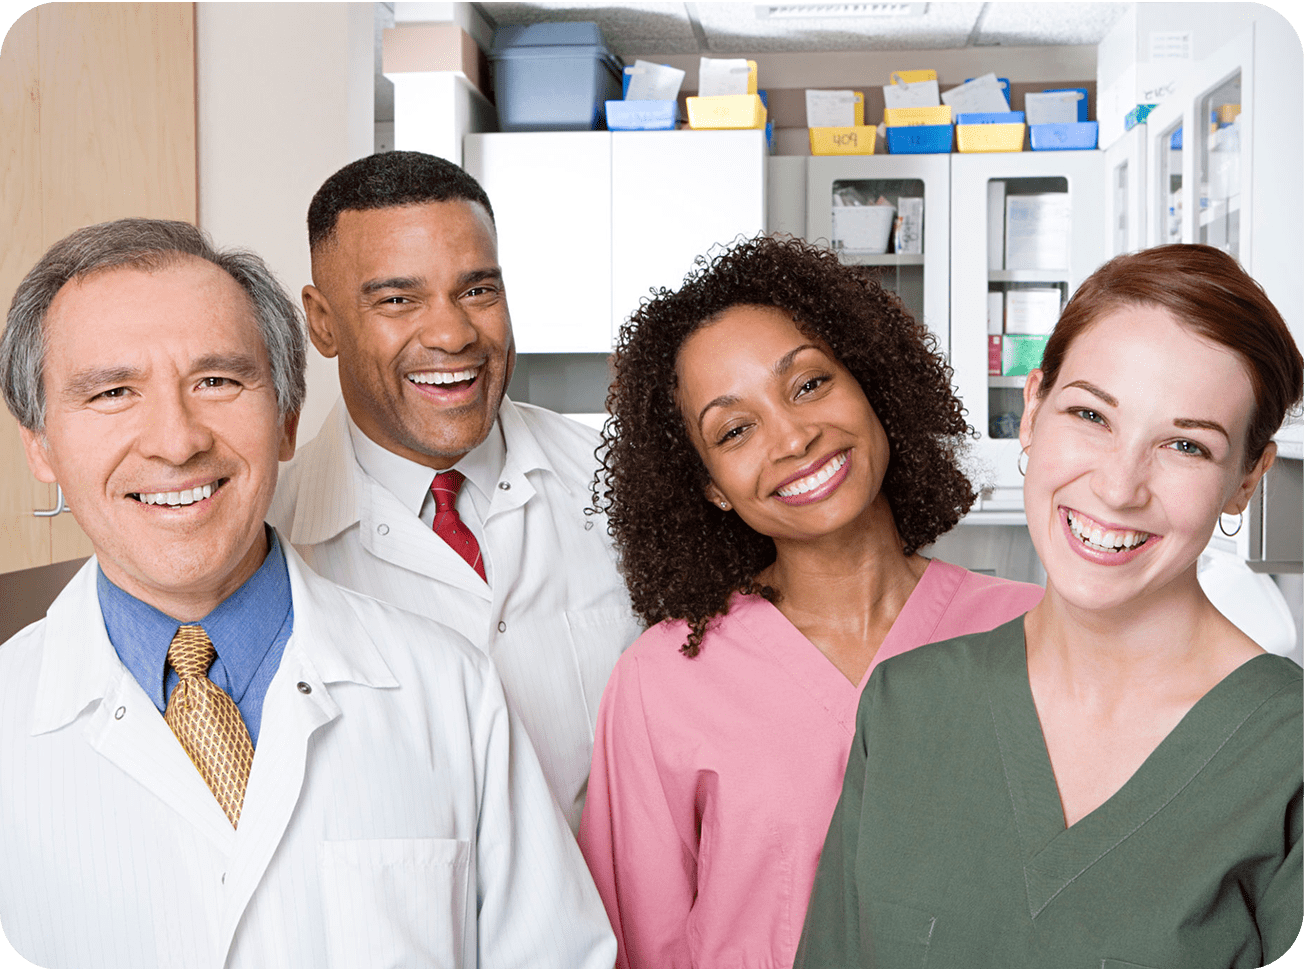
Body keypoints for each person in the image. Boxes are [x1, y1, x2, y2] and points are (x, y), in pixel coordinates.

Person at [0, 219, 616, 969]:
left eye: (217, 380)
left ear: (287, 418)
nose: (176, 439)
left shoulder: (447, 686)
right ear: (39, 443)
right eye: (112, 392)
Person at [796, 244, 1304, 969]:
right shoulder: (907, 709)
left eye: (1186, 445)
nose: (1120, 486)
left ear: (1246, 479)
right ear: (1032, 410)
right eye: (1092, 414)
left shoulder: (1286, 758)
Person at [577, 235, 1045, 969]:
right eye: (735, 429)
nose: (794, 436)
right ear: (708, 486)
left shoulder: (1035, 633)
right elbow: (640, 944)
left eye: (809, 385)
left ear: (871, 385)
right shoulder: (661, 680)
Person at [269, 151, 641, 833]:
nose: (452, 333)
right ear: (322, 323)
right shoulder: (272, 542)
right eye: (397, 299)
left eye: (477, 290)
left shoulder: (620, 484)